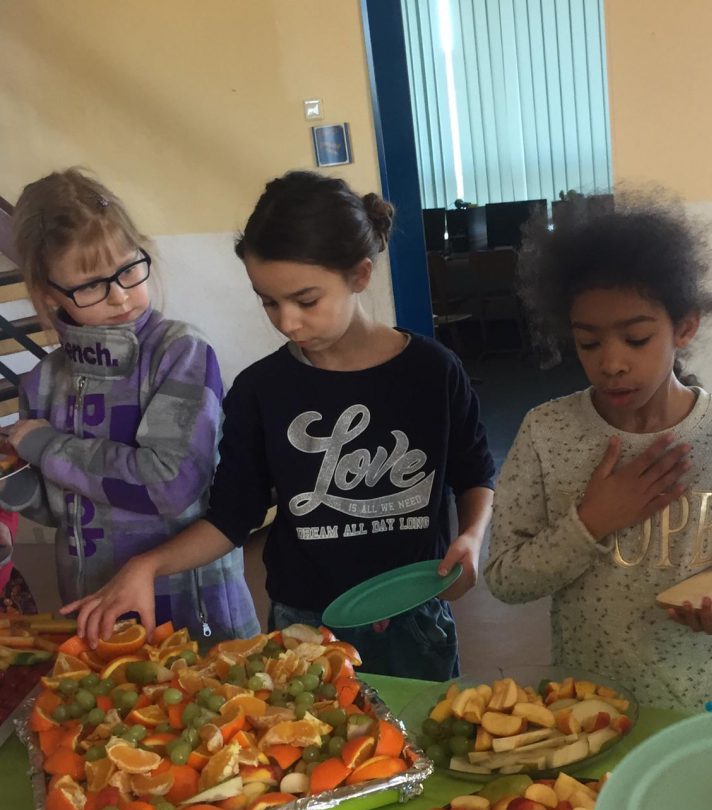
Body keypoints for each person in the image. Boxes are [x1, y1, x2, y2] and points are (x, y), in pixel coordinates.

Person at [62, 171, 495, 679]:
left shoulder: (433, 373)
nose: (286, 322)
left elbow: (474, 473)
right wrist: (147, 565)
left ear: (359, 275)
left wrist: (471, 537)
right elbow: (232, 518)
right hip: (304, 624)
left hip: (412, 614)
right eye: (268, 301)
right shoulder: (260, 390)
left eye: (306, 301)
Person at [485, 189, 712, 709]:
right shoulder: (547, 432)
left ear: (684, 327)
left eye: (637, 338)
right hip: (588, 704)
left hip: (706, 700)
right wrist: (592, 522)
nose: (612, 363)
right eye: (589, 342)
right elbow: (505, 579)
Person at [1, 168, 258, 641]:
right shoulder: (41, 383)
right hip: (97, 607)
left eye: (128, 269)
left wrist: (50, 448)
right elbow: (61, 506)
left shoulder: (180, 352)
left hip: (192, 612)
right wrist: (11, 479)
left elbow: (171, 485)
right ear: (49, 294)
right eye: (90, 285)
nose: (120, 296)